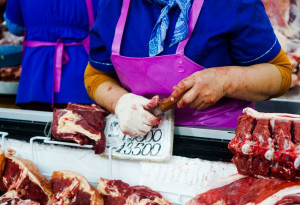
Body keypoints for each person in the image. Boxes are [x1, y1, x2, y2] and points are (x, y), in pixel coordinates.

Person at [85, 0, 292, 137]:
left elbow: (280, 73)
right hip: (139, 143)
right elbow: (96, 75)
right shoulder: (114, 4)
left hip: (218, 144)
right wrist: (121, 102)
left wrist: (225, 80)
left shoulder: (230, 3)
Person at [4, 0, 99, 111]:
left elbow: (15, 26)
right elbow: (107, 23)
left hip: (34, 80)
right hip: (81, 81)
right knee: (81, 124)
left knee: (34, 124)